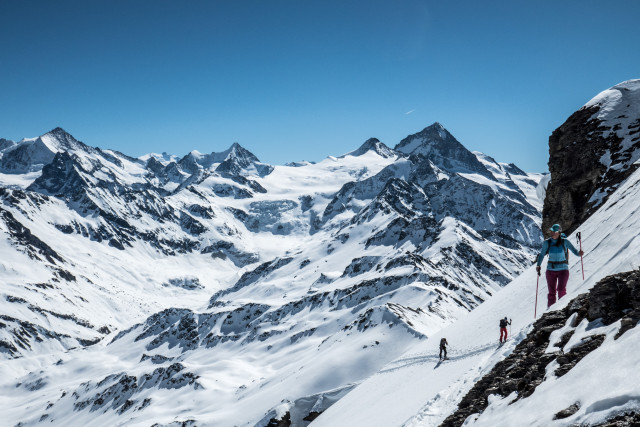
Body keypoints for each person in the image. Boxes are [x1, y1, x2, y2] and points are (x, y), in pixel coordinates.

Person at [536, 224, 583, 308]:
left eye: (555, 231)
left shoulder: (565, 241)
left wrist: (579, 253)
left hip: (563, 269)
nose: (552, 233)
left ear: (559, 232)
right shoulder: (547, 242)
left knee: (561, 290)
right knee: (551, 293)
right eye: (552, 231)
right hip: (550, 270)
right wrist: (538, 265)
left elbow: (575, 252)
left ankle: (563, 308)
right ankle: (551, 312)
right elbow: (542, 254)